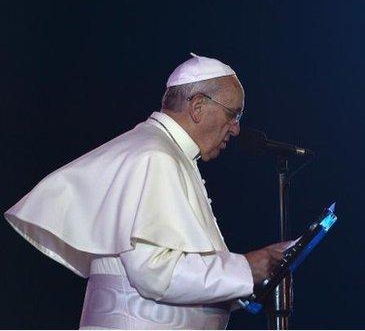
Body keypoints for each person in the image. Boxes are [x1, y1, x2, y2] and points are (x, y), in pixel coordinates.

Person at [4, 53, 289, 329]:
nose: (237, 129)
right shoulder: (155, 155)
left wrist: (250, 278)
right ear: (198, 107)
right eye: (233, 114)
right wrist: (246, 269)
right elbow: (155, 273)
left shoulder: (160, 150)